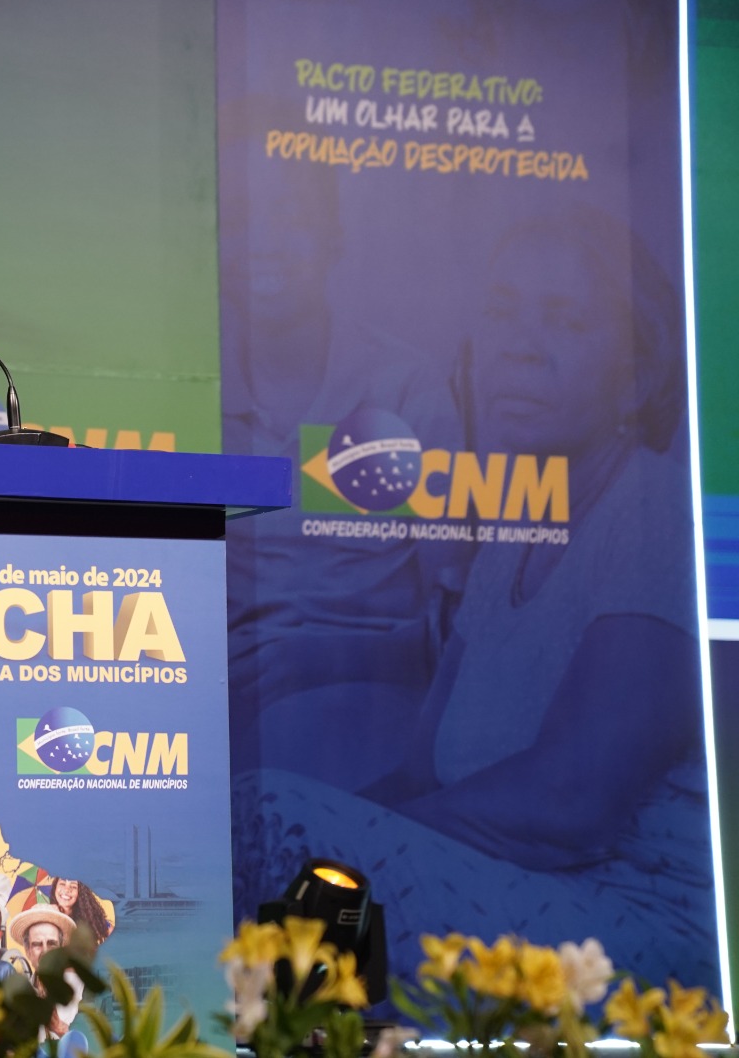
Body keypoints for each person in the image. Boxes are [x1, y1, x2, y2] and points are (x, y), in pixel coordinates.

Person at [242, 205, 717, 990]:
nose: (518, 347)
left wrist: (333, 848)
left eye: (564, 321)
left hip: (627, 920)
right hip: (515, 891)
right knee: (261, 829)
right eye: (501, 313)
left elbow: (571, 802)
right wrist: (336, 838)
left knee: (272, 821)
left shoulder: (654, 515)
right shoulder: (515, 535)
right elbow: (420, 776)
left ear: (638, 374)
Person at [7, 906, 86, 1052]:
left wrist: (61, 1029)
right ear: (28, 951)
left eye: (51, 943)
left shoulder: (78, 984)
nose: (45, 951)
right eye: (37, 944)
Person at [45, 877, 112, 944]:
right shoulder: (45, 915)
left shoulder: (90, 918)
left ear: (80, 892)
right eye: (62, 884)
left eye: (73, 886)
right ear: (55, 887)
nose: (67, 889)